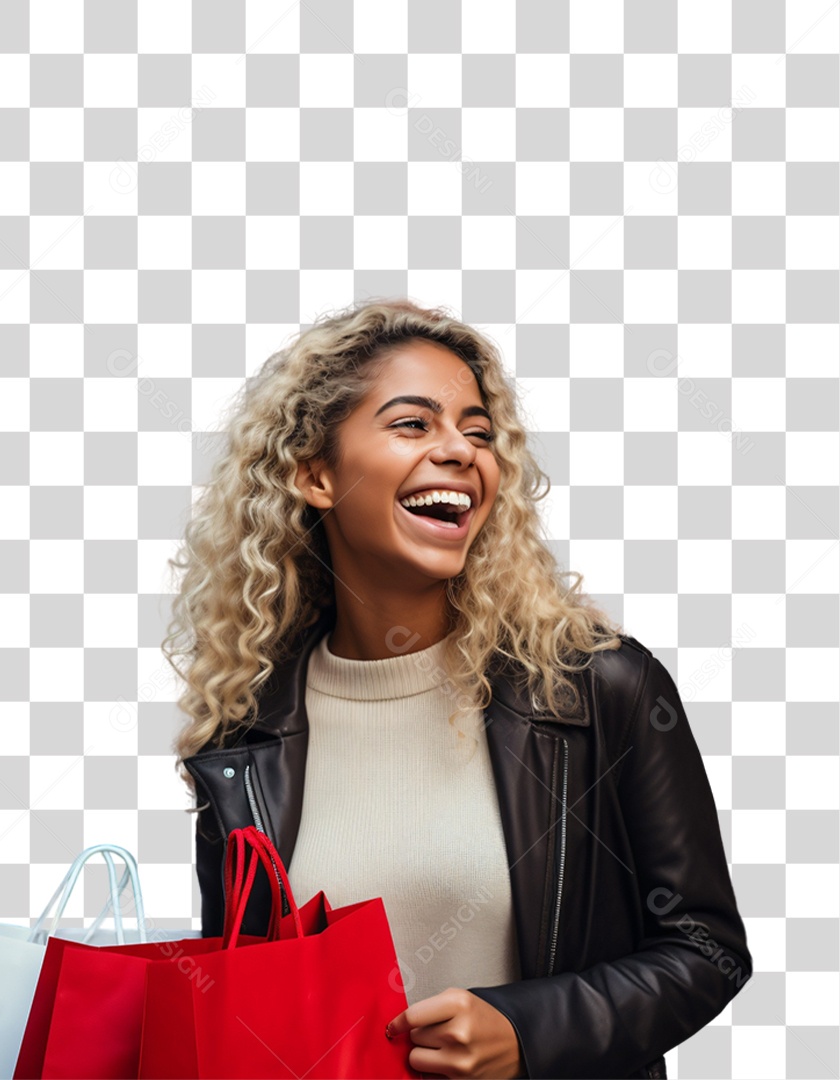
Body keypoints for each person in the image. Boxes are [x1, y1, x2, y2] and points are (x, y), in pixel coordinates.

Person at [164, 298, 753, 1079]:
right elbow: (244, 993)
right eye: (414, 425)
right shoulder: (244, 738)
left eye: (478, 433)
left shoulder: (595, 688)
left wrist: (529, 1031)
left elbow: (705, 950)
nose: (460, 452)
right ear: (316, 475)